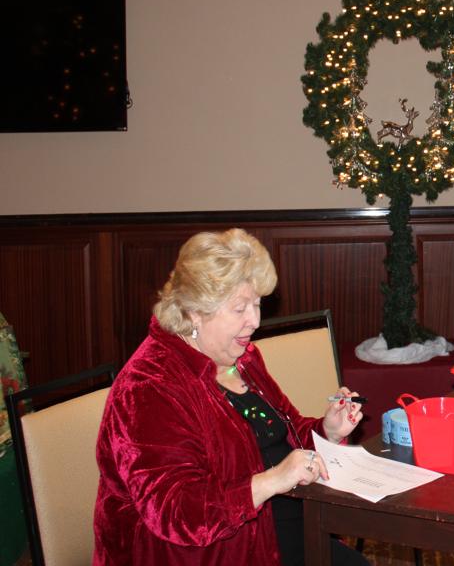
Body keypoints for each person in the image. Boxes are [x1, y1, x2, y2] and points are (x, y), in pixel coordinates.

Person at [94, 228, 367, 565]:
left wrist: (327, 430)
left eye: (257, 304)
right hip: (208, 553)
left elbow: (285, 436)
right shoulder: (149, 387)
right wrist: (271, 482)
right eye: (240, 309)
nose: (255, 321)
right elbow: (176, 512)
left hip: (279, 530)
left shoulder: (242, 359)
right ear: (195, 311)